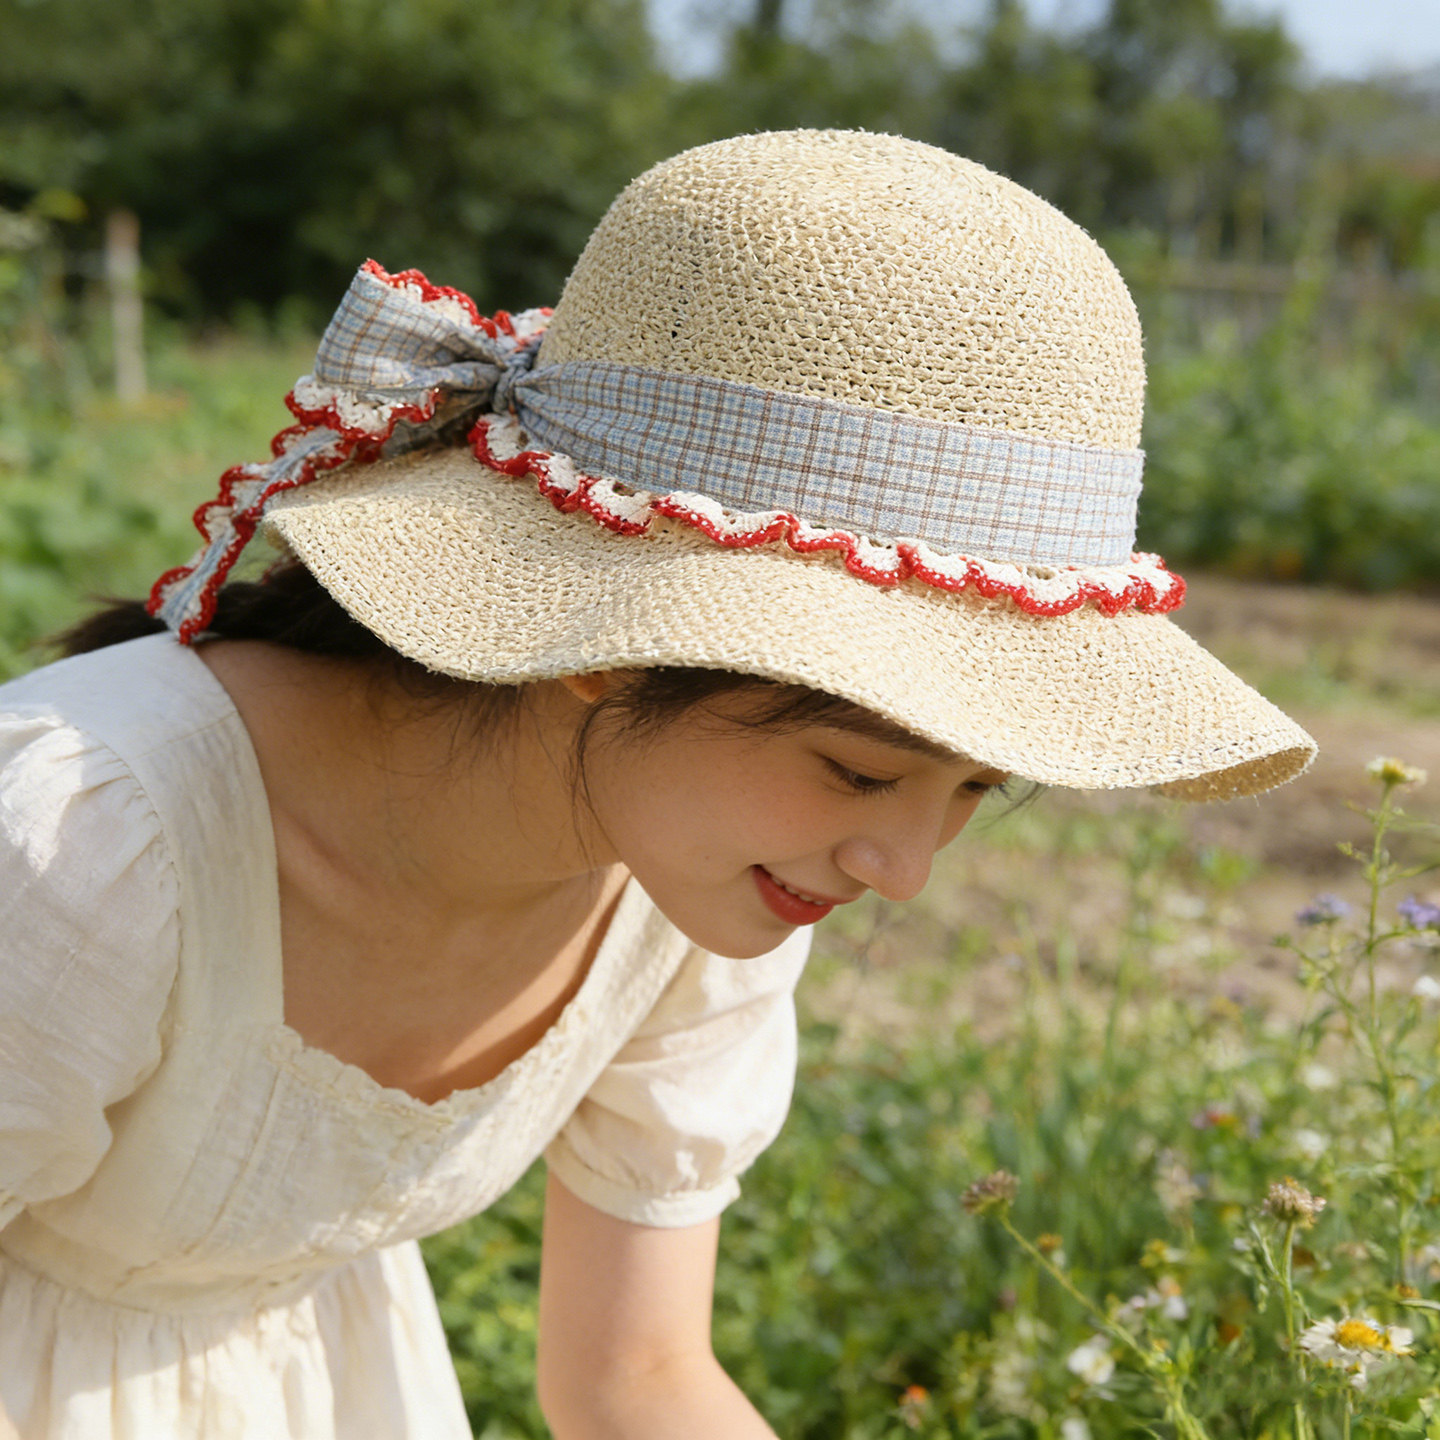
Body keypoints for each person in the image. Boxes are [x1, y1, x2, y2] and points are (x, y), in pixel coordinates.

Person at [0, 129, 1315, 1438]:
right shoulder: (81, 848)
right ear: (601, 645)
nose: (904, 870)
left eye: (977, 789)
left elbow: (636, 1380)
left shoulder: (693, 897)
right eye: (859, 770)